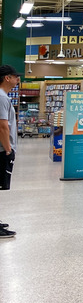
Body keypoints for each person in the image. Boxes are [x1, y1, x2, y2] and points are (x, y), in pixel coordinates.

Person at [0, 65, 20, 239]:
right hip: (1, 149)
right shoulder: (1, 97)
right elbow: (3, 126)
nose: (17, 80)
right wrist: (8, 149)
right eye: (15, 77)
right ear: (7, 78)